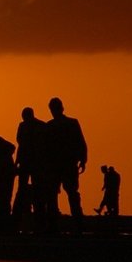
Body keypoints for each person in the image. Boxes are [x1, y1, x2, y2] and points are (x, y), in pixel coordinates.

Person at [44, 97, 88, 232]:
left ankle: (54, 224)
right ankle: (77, 223)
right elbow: (81, 142)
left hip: (58, 165)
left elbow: (45, 148)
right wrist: (83, 159)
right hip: (66, 164)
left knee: (54, 195)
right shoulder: (71, 123)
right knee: (70, 194)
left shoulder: (50, 126)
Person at [14, 107, 49, 231]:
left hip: (33, 163)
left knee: (33, 191)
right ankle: (36, 222)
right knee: (33, 191)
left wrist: (17, 162)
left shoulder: (30, 127)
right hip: (31, 163)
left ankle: (33, 222)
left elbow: (22, 145)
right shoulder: (39, 126)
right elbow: (21, 145)